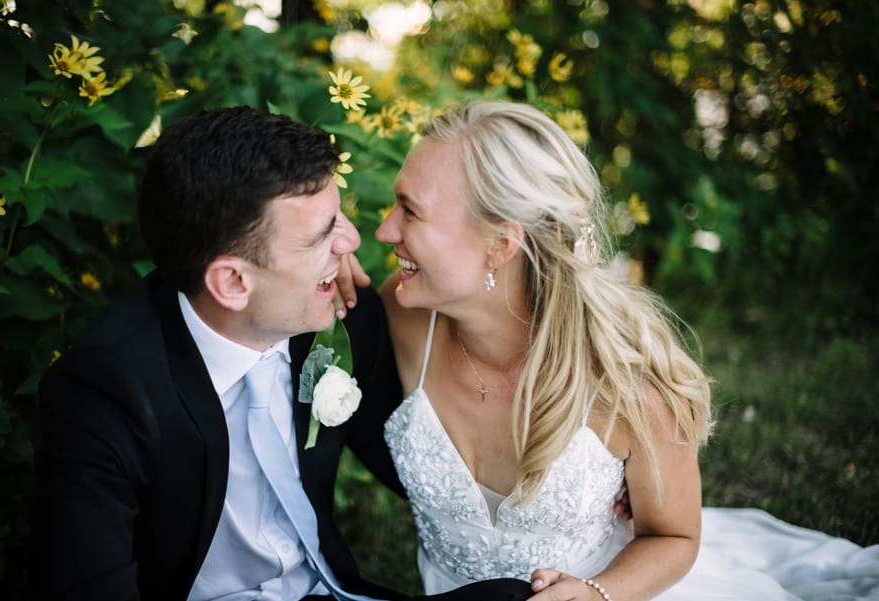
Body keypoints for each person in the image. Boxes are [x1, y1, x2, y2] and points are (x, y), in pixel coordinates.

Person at [375, 100, 879, 601]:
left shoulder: (626, 383)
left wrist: (596, 593)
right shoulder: (403, 314)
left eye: (411, 211)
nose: (384, 231)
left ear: (501, 244)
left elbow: (674, 536)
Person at [32, 106, 532, 601]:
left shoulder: (336, 317)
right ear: (232, 282)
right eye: (322, 235)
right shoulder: (106, 392)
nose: (354, 241)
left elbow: (419, 464)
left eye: (339, 217)